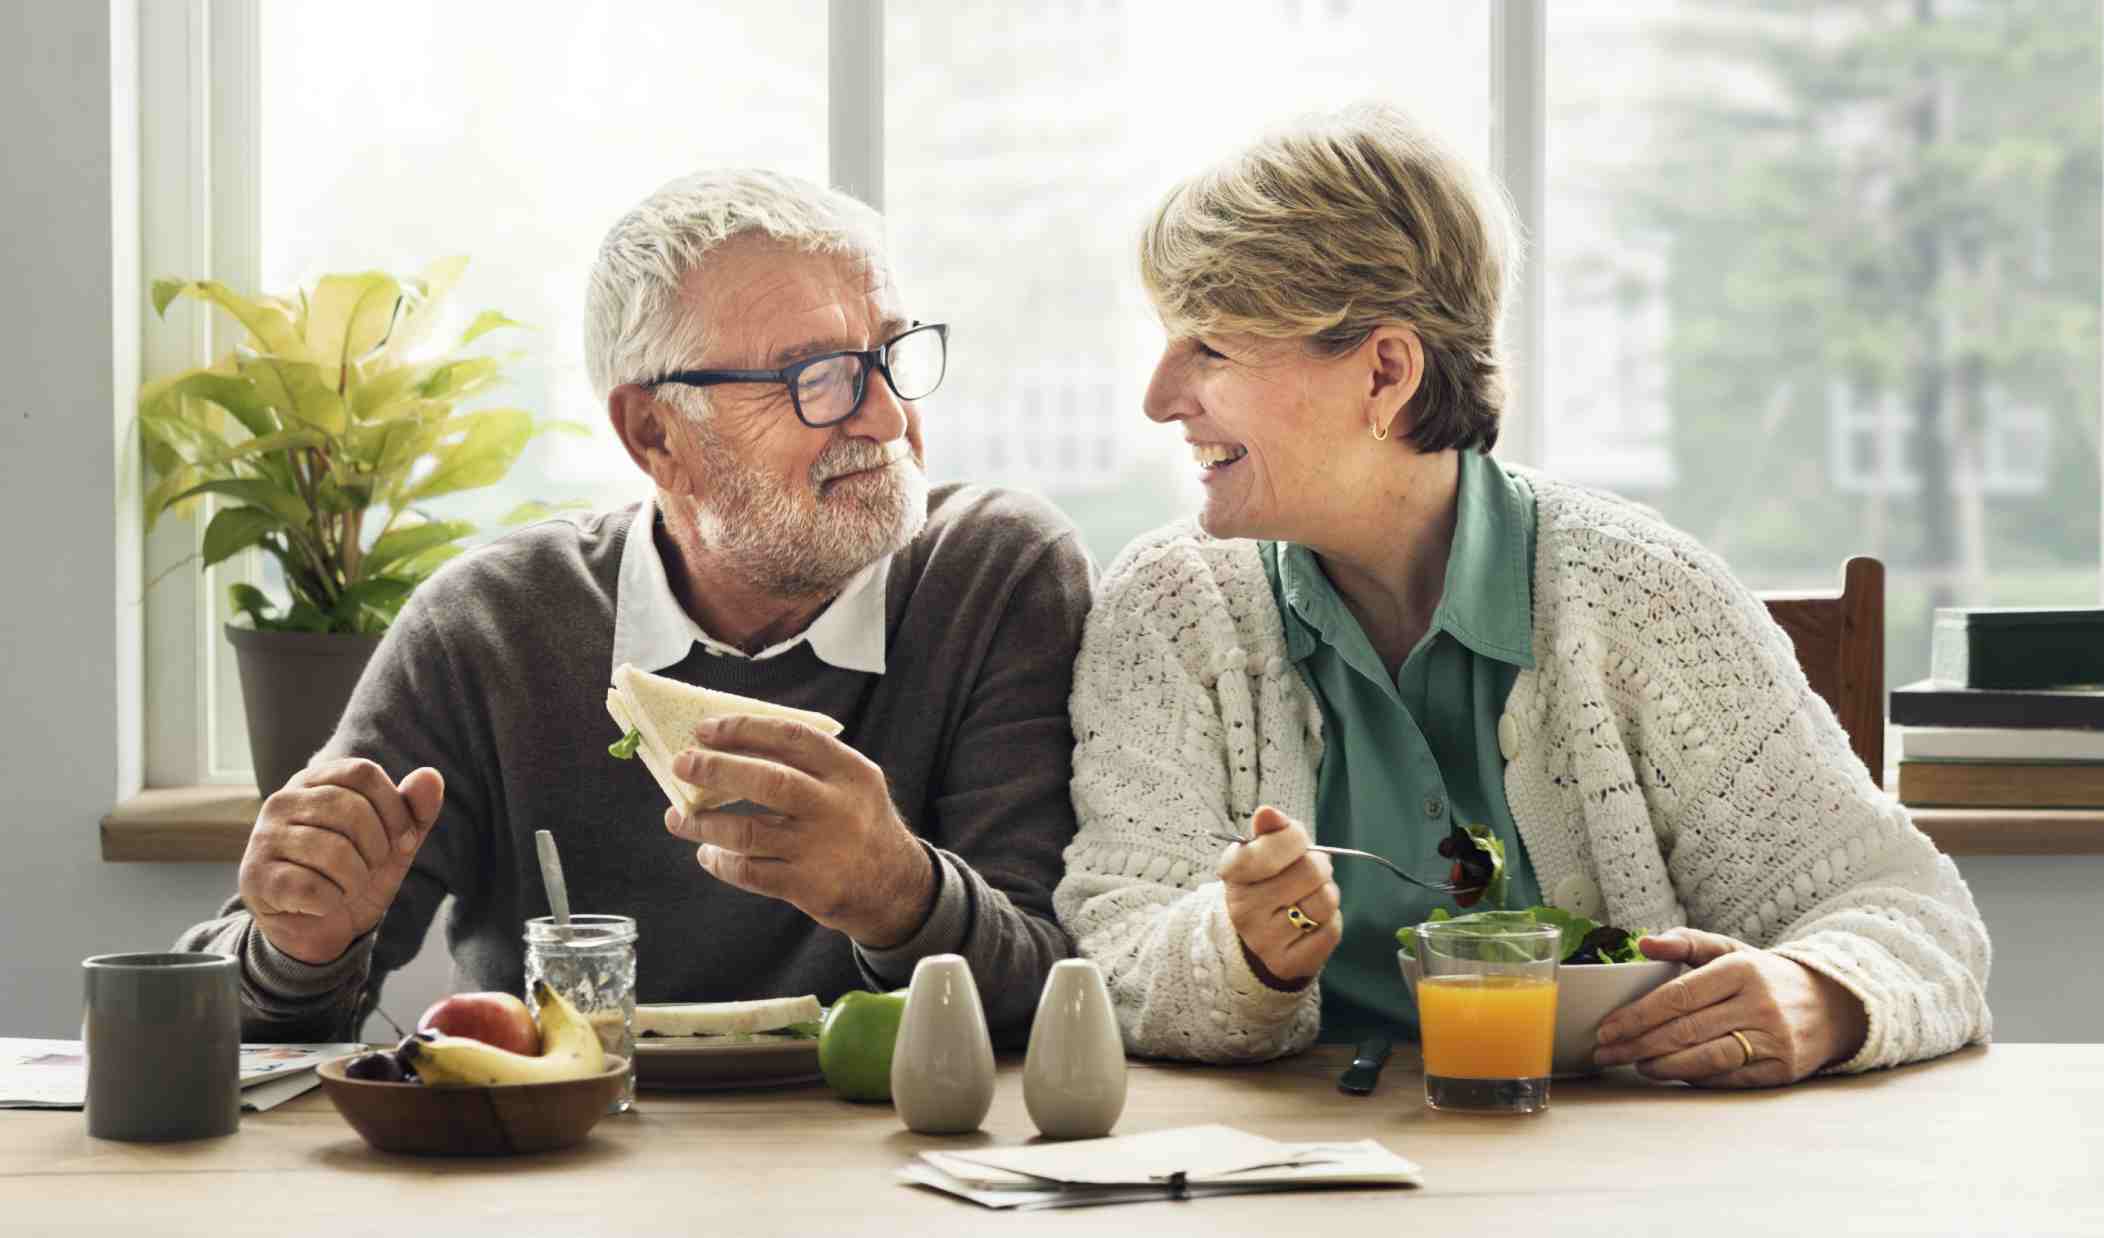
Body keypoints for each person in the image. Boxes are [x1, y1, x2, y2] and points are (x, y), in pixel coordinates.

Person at [1056, 106, 1991, 1085]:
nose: (1160, 397)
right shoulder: (1171, 608)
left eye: (1209, 347)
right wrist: (1246, 949)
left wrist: (1823, 992)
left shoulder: (1643, 595)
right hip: (1283, 1180)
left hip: (1614, 1178)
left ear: (1384, 370)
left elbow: (1908, 910)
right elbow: (1111, 950)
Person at [178, 168, 1093, 1043]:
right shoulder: (491, 625)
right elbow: (233, 1026)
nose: (888, 419)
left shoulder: (995, 575)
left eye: (890, 355)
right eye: (817, 377)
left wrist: (899, 893)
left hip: (892, 1178)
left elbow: (1067, 1000)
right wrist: (296, 946)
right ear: (654, 432)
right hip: (555, 1171)